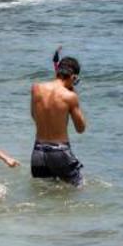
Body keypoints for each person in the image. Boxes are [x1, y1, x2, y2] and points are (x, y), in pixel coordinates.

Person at [29, 51, 87, 186]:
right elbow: (81, 128)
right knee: (79, 190)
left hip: (38, 152)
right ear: (73, 77)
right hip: (60, 153)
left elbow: (34, 116)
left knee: (45, 195)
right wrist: (73, 94)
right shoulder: (69, 96)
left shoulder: (36, 89)